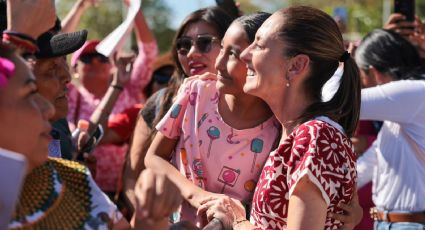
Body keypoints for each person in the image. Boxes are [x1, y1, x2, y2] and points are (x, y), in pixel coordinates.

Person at [197, 6, 361, 229]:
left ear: (296, 66)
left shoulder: (315, 137)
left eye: (259, 45)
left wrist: (237, 220)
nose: (245, 54)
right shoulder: (295, 132)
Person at [144, 12, 279, 227]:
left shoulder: (279, 126)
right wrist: (197, 196)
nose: (219, 63)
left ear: (261, 62)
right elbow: (153, 157)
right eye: (222, 49)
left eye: (233, 54)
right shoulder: (196, 92)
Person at [123, 6, 235, 215]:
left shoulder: (251, 103)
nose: (192, 53)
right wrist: (151, 220)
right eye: (183, 45)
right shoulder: (161, 102)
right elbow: (132, 176)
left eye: (204, 42)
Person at [66, 1, 158, 195]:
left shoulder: (129, 87)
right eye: (88, 58)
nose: (97, 61)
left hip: (126, 193)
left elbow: (148, 51)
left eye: (103, 57)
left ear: (112, 65)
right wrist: (79, 7)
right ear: (73, 69)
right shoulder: (69, 96)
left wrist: (134, 7)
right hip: (79, 191)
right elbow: (52, 48)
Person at [354, 29, 425, 229]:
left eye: (360, 78)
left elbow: (338, 102)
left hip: (409, 224)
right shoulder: (407, 107)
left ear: (374, 72)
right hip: (395, 222)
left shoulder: (414, 94)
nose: (362, 87)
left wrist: (342, 64)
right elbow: (372, 160)